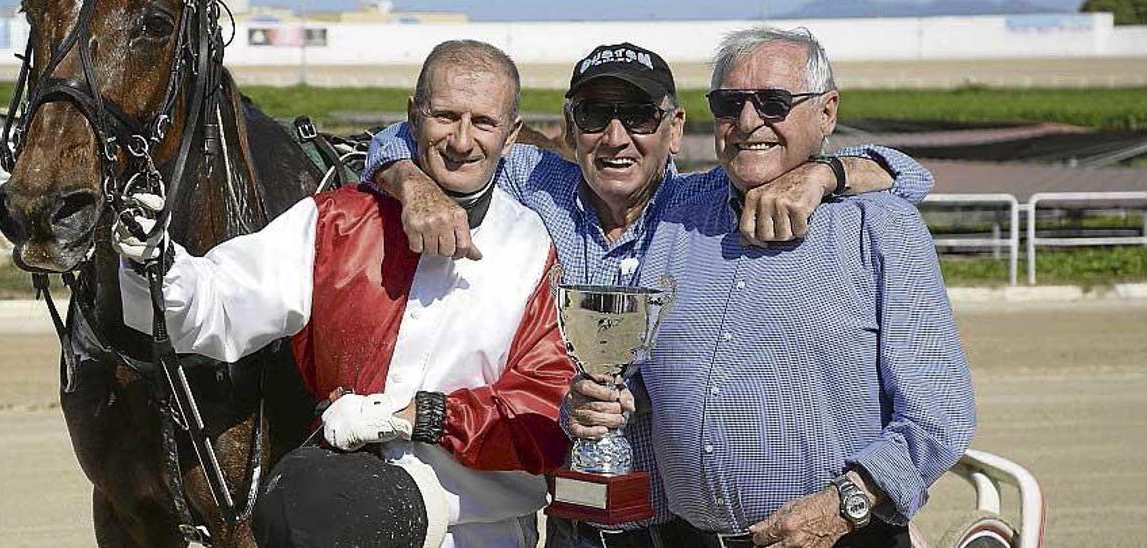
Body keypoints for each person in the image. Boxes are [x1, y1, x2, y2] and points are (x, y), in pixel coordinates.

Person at [361, 42, 935, 547]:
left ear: (676, 130)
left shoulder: (702, 203)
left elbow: (908, 175)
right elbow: (400, 135)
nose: (616, 138)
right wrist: (412, 185)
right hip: (570, 520)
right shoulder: (535, 181)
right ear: (569, 126)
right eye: (594, 115)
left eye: (638, 116)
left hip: (675, 526)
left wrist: (827, 173)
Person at [114, 40, 574, 548]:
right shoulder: (334, 221)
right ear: (413, 116)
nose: (462, 141)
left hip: (480, 535)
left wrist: (413, 418)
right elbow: (219, 303)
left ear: (510, 136)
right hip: (333, 523)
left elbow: (544, 412)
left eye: (483, 123)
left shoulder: (535, 252)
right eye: (445, 116)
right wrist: (155, 260)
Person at [567, 27, 976, 548]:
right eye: (729, 103)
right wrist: (604, 399)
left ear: (826, 114)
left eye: (774, 103)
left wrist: (845, 504)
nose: (748, 122)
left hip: (836, 535)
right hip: (683, 535)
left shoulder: (882, 227)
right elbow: (647, 375)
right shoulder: (673, 212)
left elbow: (939, 410)